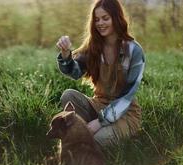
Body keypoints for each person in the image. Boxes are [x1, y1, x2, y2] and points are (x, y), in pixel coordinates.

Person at [56, 0, 145, 147]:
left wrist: (99, 122)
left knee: (97, 140)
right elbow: (75, 72)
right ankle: (76, 138)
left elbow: (127, 97)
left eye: (105, 18)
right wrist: (66, 55)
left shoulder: (134, 51)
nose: (100, 23)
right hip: (98, 104)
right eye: (96, 19)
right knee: (68, 95)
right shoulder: (94, 47)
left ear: (116, 18)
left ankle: (85, 139)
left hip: (124, 113)